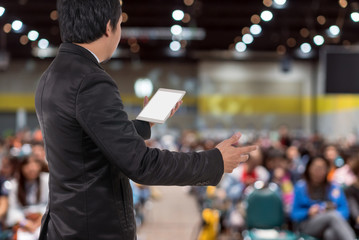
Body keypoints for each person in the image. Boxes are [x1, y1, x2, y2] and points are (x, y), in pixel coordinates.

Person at [34, 1, 257, 239]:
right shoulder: (92, 81)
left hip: (65, 224)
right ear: (109, 27)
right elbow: (141, 164)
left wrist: (143, 124)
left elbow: (86, 144)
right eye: (120, 24)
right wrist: (214, 161)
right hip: (94, 228)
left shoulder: (51, 77)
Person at [291, 156, 355, 240]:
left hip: (331, 224)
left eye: (322, 168)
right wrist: (308, 212)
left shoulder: (334, 187)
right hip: (308, 225)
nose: (319, 171)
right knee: (331, 216)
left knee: (330, 234)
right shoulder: (300, 187)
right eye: (316, 168)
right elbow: (294, 214)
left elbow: (345, 211)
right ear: (309, 169)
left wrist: (330, 211)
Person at [6, 156, 48, 240]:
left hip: (43, 219)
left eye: (35, 166)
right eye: (28, 166)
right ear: (21, 168)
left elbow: (49, 204)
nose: (32, 169)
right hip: (24, 222)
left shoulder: (47, 180)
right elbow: (13, 209)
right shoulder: (15, 184)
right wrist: (25, 223)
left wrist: (40, 220)